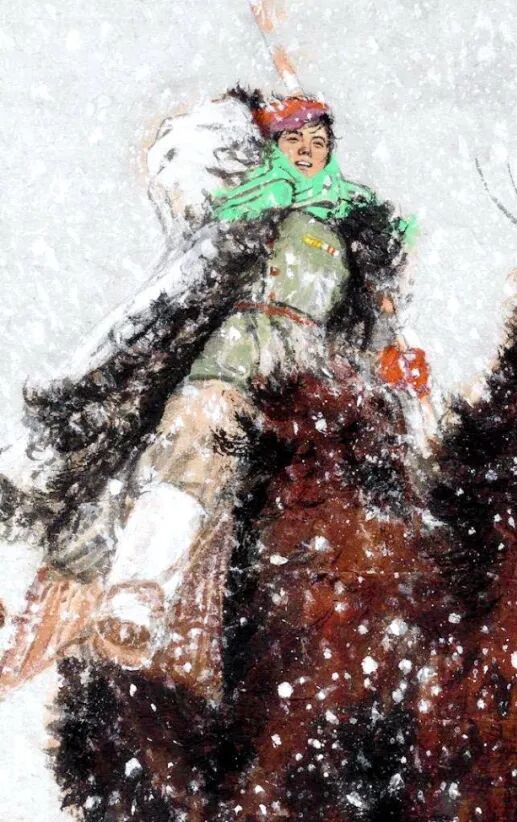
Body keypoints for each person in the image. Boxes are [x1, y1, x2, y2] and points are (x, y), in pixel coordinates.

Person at [0, 91, 425, 697]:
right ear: (271, 149)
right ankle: (137, 594)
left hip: (309, 380)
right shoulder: (242, 211)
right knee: (203, 429)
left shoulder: (351, 225)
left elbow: (369, 321)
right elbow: (174, 290)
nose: (307, 152)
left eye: (318, 141)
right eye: (294, 141)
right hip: (230, 367)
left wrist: (388, 346)